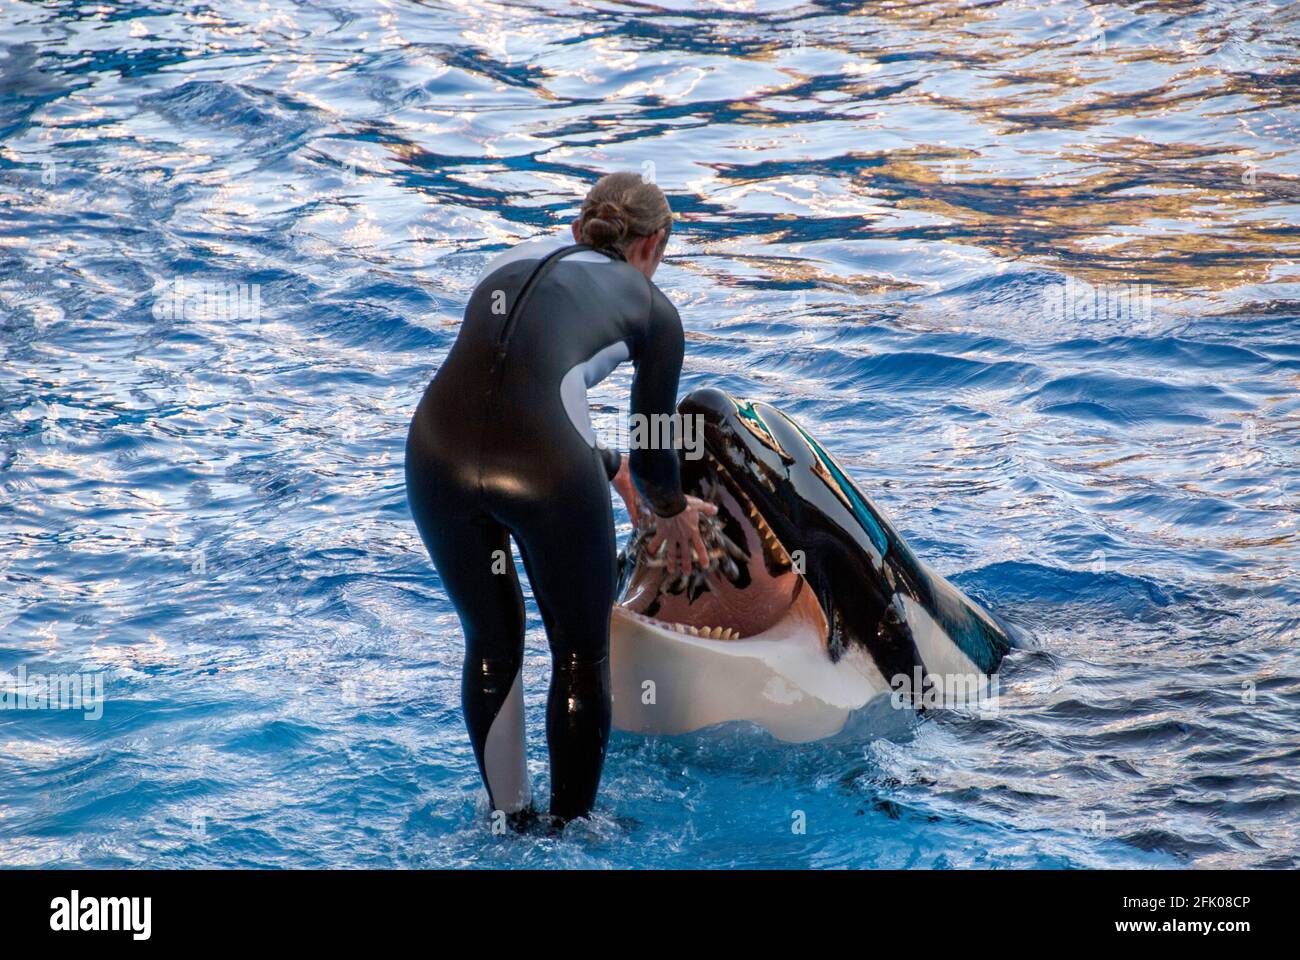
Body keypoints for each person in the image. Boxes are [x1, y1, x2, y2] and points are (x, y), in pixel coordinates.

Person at [405, 172, 717, 828]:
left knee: (491, 639)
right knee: (579, 652)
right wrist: (667, 506)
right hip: (545, 471)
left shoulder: (510, 261)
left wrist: (608, 468)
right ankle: (572, 834)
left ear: (578, 230)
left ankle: (506, 822)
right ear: (654, 246)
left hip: (435, 455)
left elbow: (503, 395)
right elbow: (655, 446)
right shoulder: (654, 310)